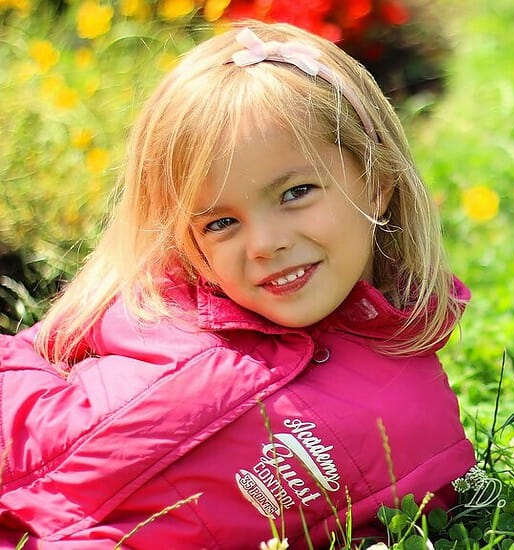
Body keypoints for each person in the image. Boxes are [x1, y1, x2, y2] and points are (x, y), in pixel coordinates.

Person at [0, 20, 475, 549]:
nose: (264, 244)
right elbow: (26, 361)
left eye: (295, 192)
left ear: (378, 181)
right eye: (220, 223)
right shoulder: (159, 304)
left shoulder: (409, 424)